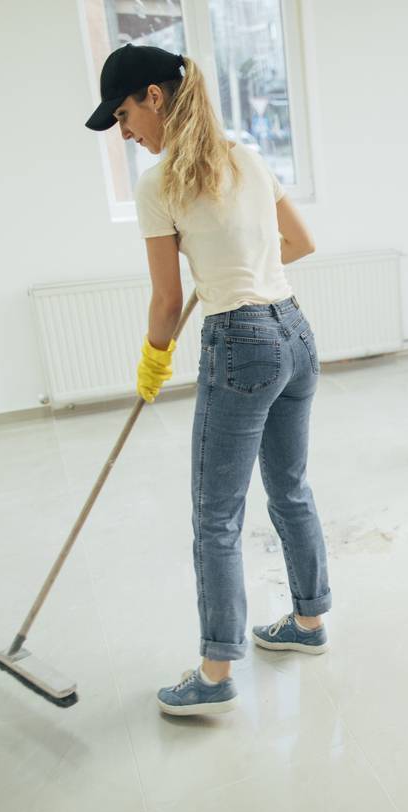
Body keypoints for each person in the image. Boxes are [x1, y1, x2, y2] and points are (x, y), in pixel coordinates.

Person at [85, 44, 332, 716]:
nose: (125, 131)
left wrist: (153, 356)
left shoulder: (157, 184)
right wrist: (241, 260)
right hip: (294, 334)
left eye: (124, 113)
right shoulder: (246, 156)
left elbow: (167, 301)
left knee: (216, 517)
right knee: (289, 488)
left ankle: (216, 669)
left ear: (154, 97)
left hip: (242, 346)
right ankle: (308, 623)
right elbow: (302, 243)